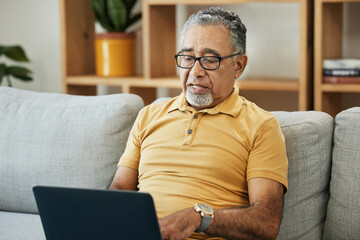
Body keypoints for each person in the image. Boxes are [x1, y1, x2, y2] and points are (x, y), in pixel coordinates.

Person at [110, 7, 288, 240]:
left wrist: (198, 217)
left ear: (238, 66)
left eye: (210, 60)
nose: (195, 72)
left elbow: (266, 223)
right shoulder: (149, 115)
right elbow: (119, 191)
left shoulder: (261, 126)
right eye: (187, 58)